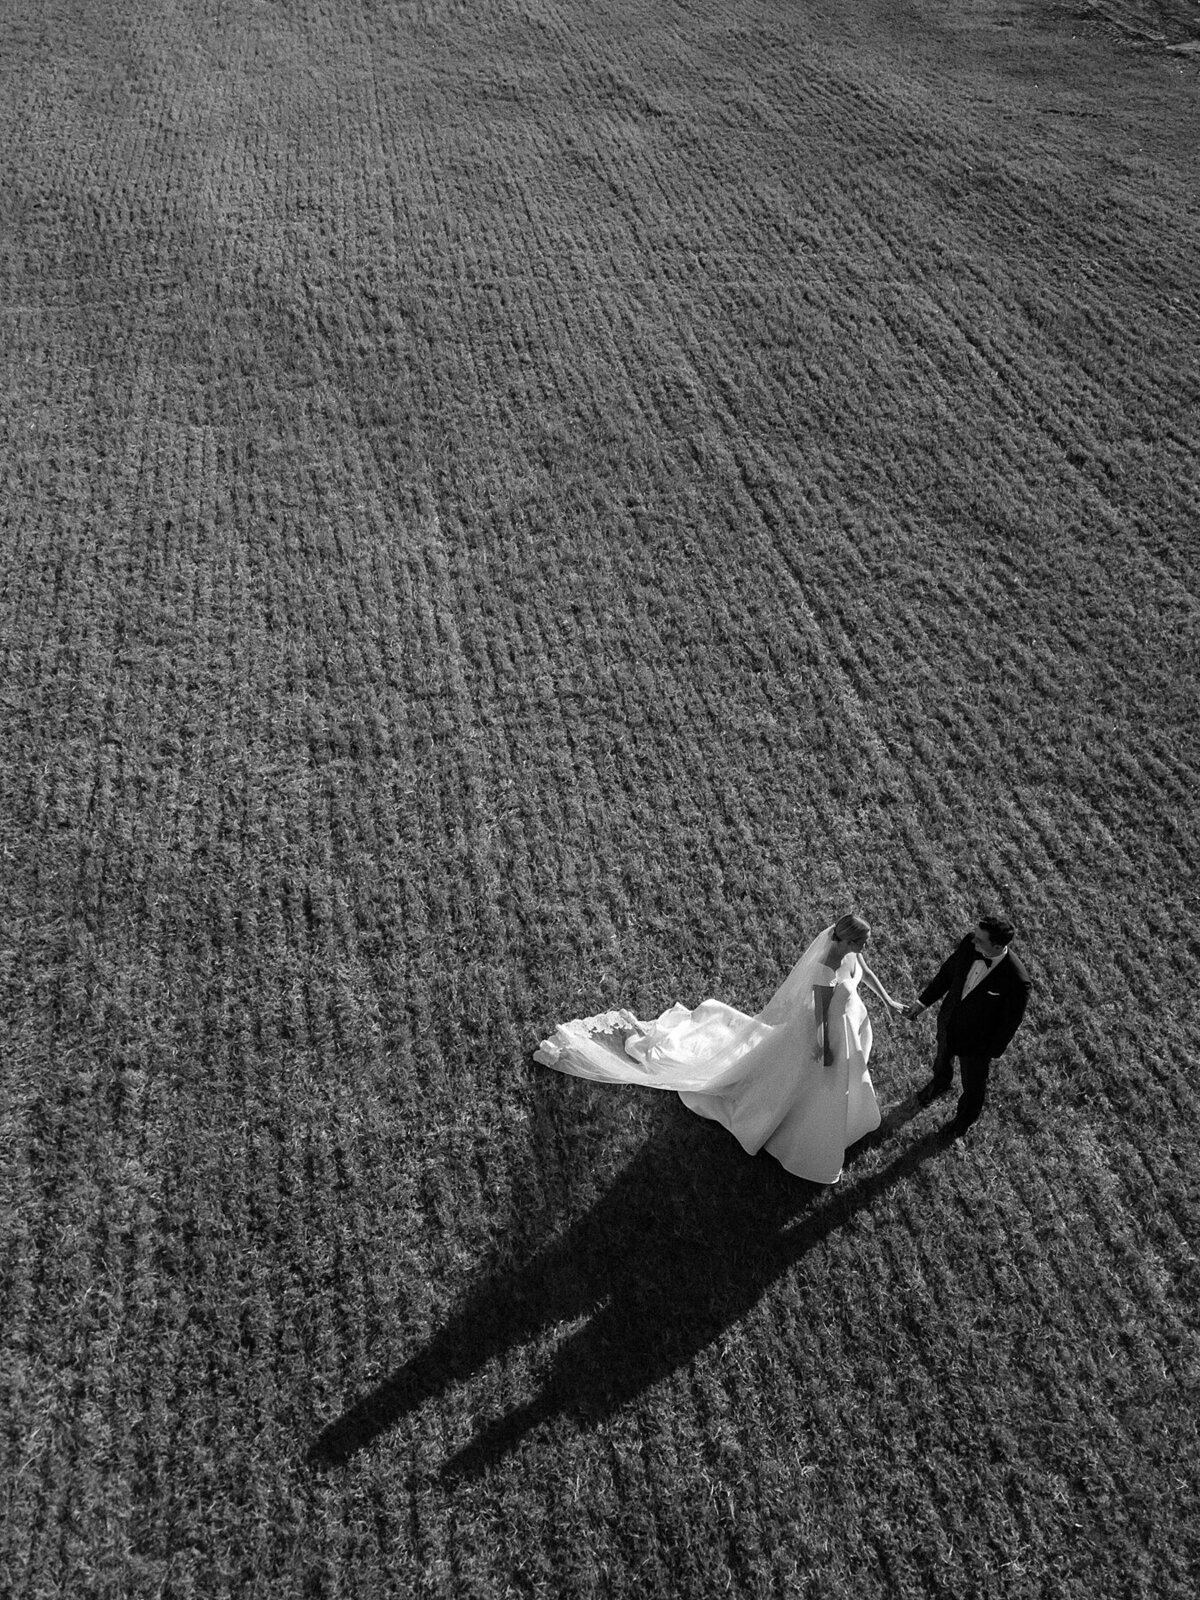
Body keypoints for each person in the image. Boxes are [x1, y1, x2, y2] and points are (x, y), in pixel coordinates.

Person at [534, 915, 905, 1184]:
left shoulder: (849, 954)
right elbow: (821, 1016)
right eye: (860, 944)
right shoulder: (825, 969)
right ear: (846, 941)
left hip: (843, 1025)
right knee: (805, 1086)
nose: (863, 950)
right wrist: (824, 1051)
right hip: (821, 1034)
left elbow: (864, 972)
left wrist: (888, 1001)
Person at [903, 916, 1031, 1137]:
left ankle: (962, 1121)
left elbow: (1010, 1021)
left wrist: (990, 1051)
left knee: (973, 1086)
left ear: (997, 946)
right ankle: (940, 1082)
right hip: (949, 1020)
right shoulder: (970, 943)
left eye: (980, 940)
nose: (973, 941)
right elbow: (947, 973)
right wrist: (922, 1003)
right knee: (942, 1055)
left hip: (977, 1043)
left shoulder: (1017, 980)